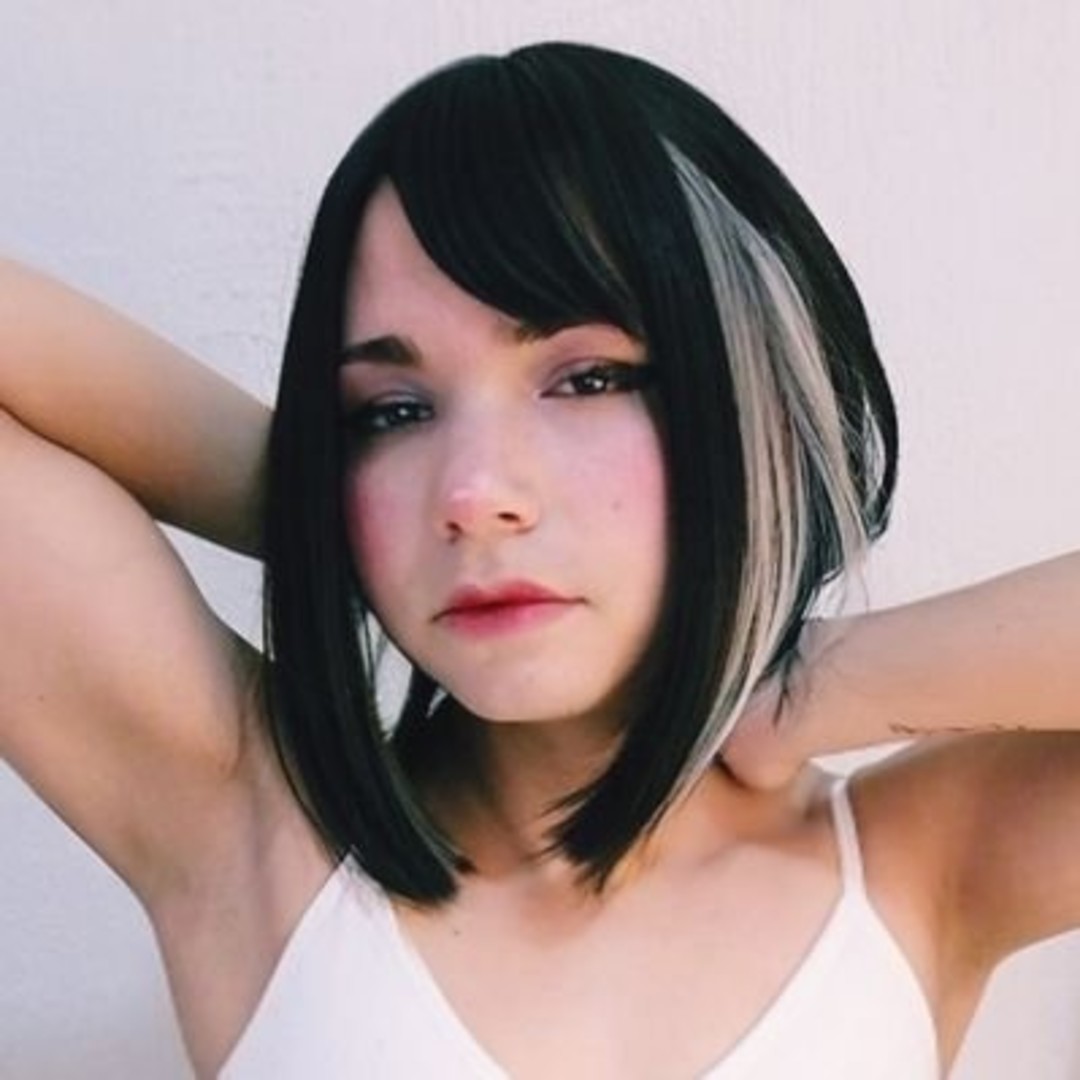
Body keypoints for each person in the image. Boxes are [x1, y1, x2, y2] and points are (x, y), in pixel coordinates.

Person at [1, 41, 1077, 1079]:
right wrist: (322, 519)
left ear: (753, 402)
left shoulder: (921, 861)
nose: (472, 496)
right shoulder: (248, 829)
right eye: (392, 412)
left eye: (588, 379)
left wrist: (805, 694)